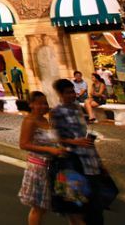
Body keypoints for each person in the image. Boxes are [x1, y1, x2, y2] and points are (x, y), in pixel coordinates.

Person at [51, 78, 105, 225]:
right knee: (78, 208)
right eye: (67, 92)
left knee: (96, 207)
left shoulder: (77, 108)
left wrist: (99, 162)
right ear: (60, 94)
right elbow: (58, 138)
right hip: (73, 164)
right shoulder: (57, 112)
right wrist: (76, 142)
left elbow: (83, 133)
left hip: (90, 160)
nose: (72, 95)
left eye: (73, 92)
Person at [18, 92, 71, 225]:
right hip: (38, 168)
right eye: (39, 104)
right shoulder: (29, 121)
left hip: (51, 166)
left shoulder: (45, 120)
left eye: (45, 103)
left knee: (45, 205)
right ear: (31, 104)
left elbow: (51, 140)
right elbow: (23, 144)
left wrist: (59, 148)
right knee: (38, 207)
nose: (44, 106)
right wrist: (50, 150)